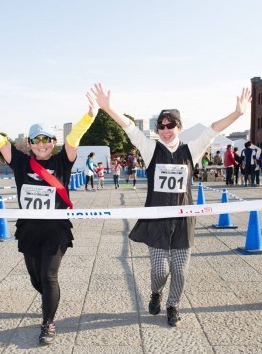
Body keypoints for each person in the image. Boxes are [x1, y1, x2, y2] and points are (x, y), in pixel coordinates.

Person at [92, 83, 250, 327]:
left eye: (171, 125)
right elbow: (130, 128)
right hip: (157, 220)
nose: (166, 130)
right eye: (162, 126)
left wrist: (237, 113)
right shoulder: (150, 150)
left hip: (183, 221)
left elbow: (212, 130)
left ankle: (173, 305)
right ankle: (156, 292)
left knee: (180, 270)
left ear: (179, 127)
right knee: (160, 271)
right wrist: (109, 108)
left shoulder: (191, 151)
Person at [0, 93, 96, 345]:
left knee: (49, 276)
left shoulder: (63, 161)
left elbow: (73, 139)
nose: (42, 144)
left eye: (46, 139)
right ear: (30, 143)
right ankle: (49, 300)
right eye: (36, 140)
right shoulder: (21, 163)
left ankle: (48, 323)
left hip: (56, 229)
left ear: (53, 142)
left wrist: (88, 117)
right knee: (37, 279)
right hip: (29, 230)